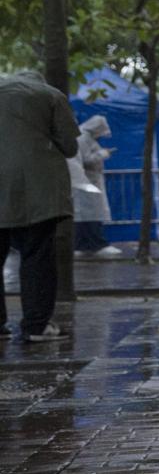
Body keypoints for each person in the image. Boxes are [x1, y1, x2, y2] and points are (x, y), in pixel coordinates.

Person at [0, 69, 79, 344]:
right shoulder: (50, 95)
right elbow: (69, 146)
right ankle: (36, 326)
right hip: (36, 191)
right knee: (37, 257)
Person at [71, 114, 120, 257]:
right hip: (87, 182)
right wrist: (103, 153)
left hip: (88, 182)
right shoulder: (83, 138)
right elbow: (85, 159)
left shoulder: (86, 137)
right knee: (90, 214)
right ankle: (96, 244)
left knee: (87, 214)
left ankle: (83, 244)